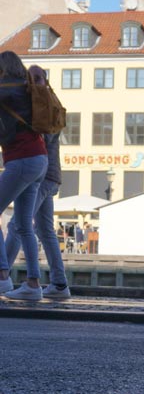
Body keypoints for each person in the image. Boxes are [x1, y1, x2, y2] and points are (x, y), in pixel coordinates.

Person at [5, 64, 71, 299]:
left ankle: (3, 277)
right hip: (50, 175)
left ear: (43, 80)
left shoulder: (43, 103)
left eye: (36, 78)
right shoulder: (45, 101)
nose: (32, 82)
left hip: (44, 175)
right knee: (45, 230)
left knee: (17, 224)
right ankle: (60, 284)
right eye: (30, 78)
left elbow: (43, 135)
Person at [0, 51, 48, 300]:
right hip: (40, 159)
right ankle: (33, 284)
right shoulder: (29, 89)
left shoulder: (6, 88)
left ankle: (2, 276)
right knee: (23, 225)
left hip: (21, 159)